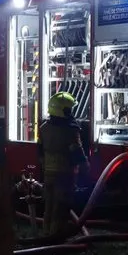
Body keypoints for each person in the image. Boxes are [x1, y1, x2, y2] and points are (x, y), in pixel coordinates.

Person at [38, 92, 89, 236]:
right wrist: (85, 166)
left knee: (49, 205)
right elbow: (76, 151)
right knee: (61, 206)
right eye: (69, 109)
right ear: (64, 111)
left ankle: (46, 233)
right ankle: (56, 236)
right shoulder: (71, 130)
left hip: (48, 174)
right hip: (65, 174)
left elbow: (40, 152)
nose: (71, 112)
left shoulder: (43, 128)